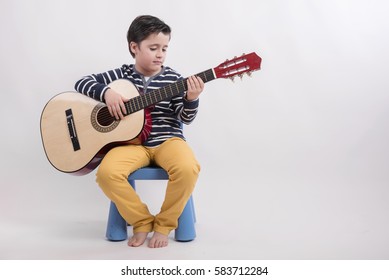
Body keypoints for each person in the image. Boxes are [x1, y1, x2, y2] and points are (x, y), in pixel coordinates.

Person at [74, 15, 204, 248]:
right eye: (153, 48)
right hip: (130, 144)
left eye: (164, 48)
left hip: (168, 140)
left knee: (188, 168)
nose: (160, 54)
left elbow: (185, 118)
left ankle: (164, 225)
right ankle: (142, 221)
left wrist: (191, 99)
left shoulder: (174, 79)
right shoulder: (120, 75)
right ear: (134, 47)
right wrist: (107, 93)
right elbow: (82, 82)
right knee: (107, 173)